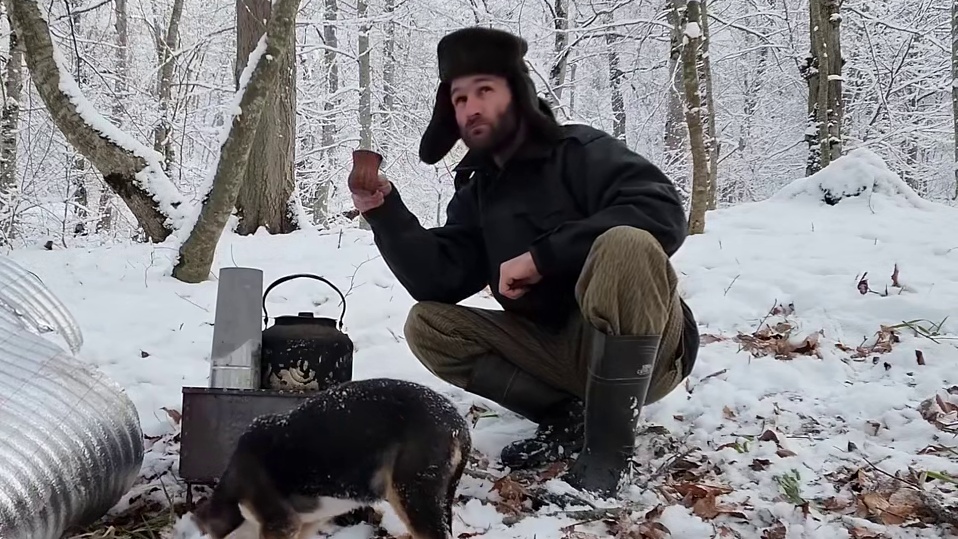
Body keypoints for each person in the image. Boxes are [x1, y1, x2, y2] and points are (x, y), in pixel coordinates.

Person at [349, 26, 699, 497]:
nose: (470, 107)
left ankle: (607, 454)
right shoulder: (478, 190)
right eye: (458, 98)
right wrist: (385, 213)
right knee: (428, 325)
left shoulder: (581, 152)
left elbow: (662, 212)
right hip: (554, 351)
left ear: (517, 94)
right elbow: (439, 279)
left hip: (649, 351)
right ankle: (565, 417)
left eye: (484, 91)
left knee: (627, 245)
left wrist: (542, 258)